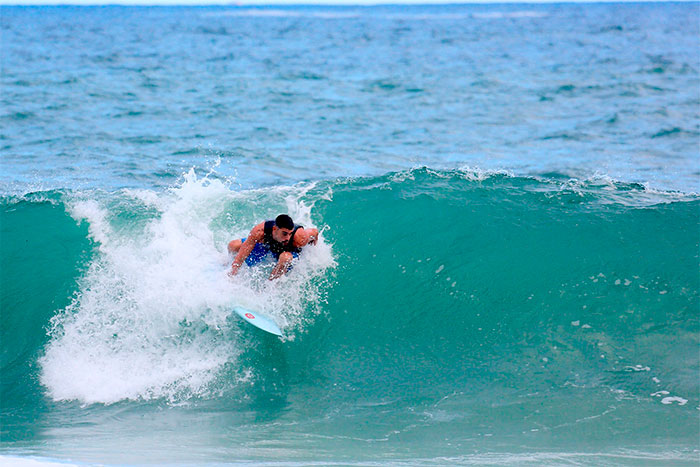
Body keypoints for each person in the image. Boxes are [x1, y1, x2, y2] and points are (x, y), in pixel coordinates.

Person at [228, 214, 318, 280]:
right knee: (233, 245)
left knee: (286, 258)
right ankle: (227, 264)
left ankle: (269, 286)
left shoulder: (299, 238)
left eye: (290, 234)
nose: (288, 238)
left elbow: (313, 232)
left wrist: (315, 237)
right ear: (275, 229)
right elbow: (247, 246)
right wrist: (233, 271)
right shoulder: (260, 231)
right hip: (269, 247)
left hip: (288, 253)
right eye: (285, 233)